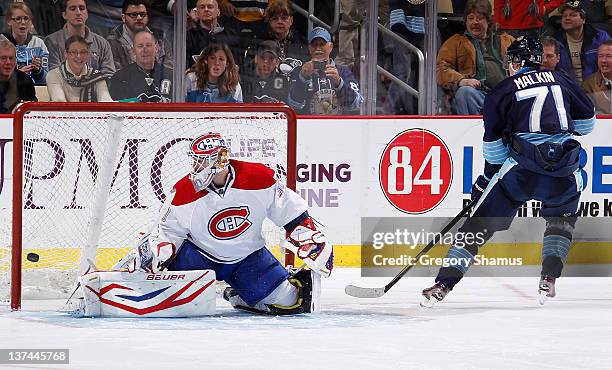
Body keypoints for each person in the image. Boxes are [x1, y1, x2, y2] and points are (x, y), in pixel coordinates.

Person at [421, 36, 596, 308]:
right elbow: (586, 125)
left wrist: (483, 183)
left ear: (517, 61)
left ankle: (443, 284)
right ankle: (549, 277)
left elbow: (494, 150)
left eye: (511, 60)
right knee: (561, 222)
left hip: (520, 175)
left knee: (476, 227)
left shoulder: (502, 91)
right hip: (564, 175)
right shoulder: (563, 80)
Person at [127, 132, 334, 315]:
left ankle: (239, 295)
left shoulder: (257, 178)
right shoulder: (183, 193)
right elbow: (167, 231)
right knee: (170, 304)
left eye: (202, 162)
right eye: (195, 162)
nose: (196, 168)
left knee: (292, 302)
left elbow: (289, 210)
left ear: (219, 161)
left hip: (247, 258)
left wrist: (308, 235)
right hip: (199, 258)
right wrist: (156, 250)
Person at [436, 0, 513, 115]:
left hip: (507, 95)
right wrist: (462, 80)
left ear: (488, 20)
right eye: (471, 18)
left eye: (479, 18)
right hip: (479, 95)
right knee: (465, 92)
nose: (475, 22)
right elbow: (441, 69)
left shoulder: (506, 40)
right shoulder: (456, 42)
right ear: (466, 22)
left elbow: (523, 66)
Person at [288, 27, 363, 115]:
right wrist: (302, 80)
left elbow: (356, 104)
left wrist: (339, 84)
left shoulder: (343, 71)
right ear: (309, 48)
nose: (318, 48)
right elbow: (293, 105)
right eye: (314, 44)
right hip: (309, 125)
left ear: (330, 46)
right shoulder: (300, 71)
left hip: (338, 125)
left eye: (322, 44)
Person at [44, 0, 115, 77]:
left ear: (87, 14)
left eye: (82, 8)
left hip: (97, 88)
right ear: (64, 15)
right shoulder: (51, 41)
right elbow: (54, 74)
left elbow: (109, 75)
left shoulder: (102, 43)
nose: (78, 13)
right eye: (72, 9)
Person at [552, 1, 611, 83]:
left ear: (583, 20)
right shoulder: (554, 41)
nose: (567, 18)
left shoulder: (599, 37)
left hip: (596, 86)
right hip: (569, 89)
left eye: (573, 15)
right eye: (564, 16)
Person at [107, 0, 173, 71]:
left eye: (142, 14)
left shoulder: (159, 36)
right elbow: (115, 74)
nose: (139, 18)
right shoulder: (112, 41)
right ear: (123, 18)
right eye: (134, 15)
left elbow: (170, 66)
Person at [110, 30, 172, 102]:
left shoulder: (171, 75)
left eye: (148, 45)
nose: (145, 50)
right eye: (140, 46)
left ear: (157, 48)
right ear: (133, 50)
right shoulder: (120, 77)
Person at [46, 35, 113, 102]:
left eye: (83, 52)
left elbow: (106, 101)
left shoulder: (97, 77)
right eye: (74, 52)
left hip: (90, 112)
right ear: (66, 54)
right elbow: (59, 102)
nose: (79, 56)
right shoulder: (54, 75)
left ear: (88, 54)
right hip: (64, 112)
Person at [186, 0, 242, 69]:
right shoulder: (189, 35)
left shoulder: (231, 35)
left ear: (218, 12)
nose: (206, 9)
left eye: (210, 7)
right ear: (197, 12)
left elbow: (237, 66)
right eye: (202, 7)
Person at [2, 3, 49, 85]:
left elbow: (47, 80)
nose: (23, 22)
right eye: (18, 19)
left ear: (31, 22)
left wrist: (38, 71)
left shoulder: (39, 44)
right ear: (9, 21)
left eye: (26, 18)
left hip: (35, 91)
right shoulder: (1, 43)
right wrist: (17, 75)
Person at [261, 0, 308, 78]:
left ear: (291, 20)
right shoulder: (262, 42)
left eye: (284, 18)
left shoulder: (302, 42)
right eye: (275, 18)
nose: (280, 22)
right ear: (269, 21)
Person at [0, 38, 36, 113]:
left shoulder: (25, 80)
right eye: (3, 58)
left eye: (11, 58)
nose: (8, 62)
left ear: (16, 61)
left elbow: (32, 106)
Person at [582, 40, 612, 114]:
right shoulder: (589, 84)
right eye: (600, 56)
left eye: (609, 56)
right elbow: (588, 113)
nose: (603, 60)